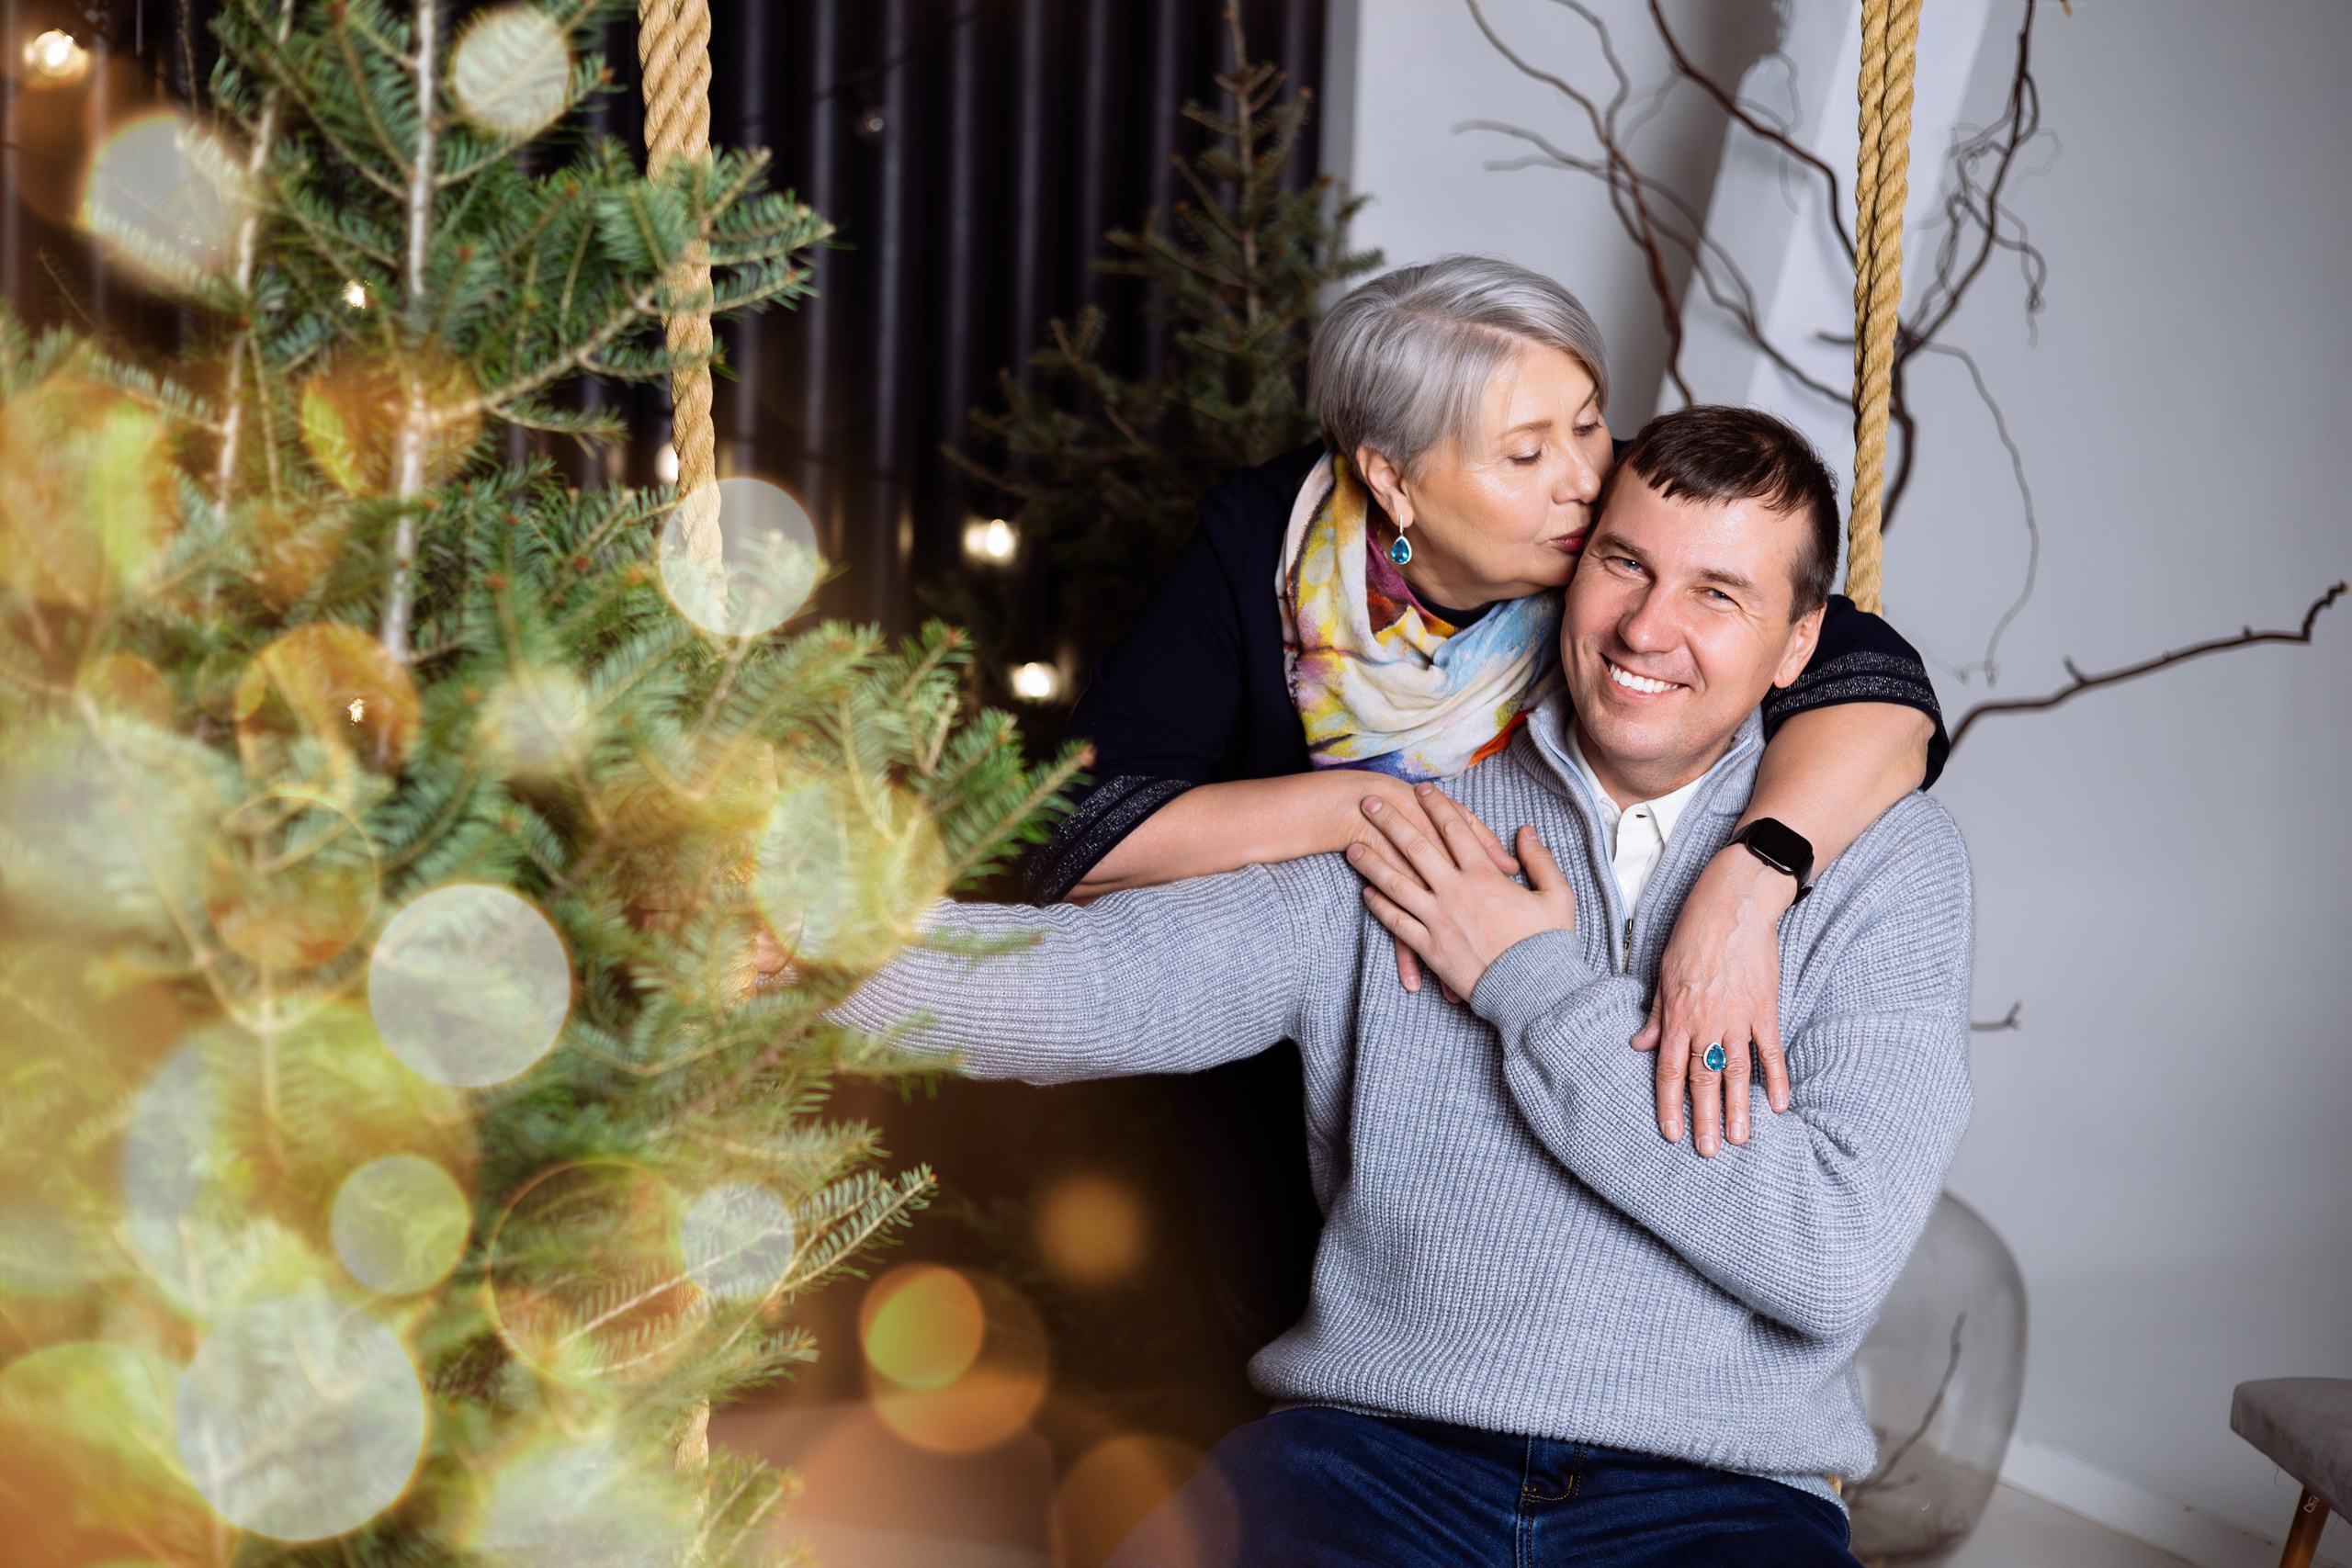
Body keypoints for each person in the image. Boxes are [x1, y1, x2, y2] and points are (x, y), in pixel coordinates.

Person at [841, 406, 1973, 1566]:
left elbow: (1828, 1261)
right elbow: (1102, 984)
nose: (1647, 628)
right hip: (1373, 1455)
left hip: (1719, 1491)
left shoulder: (1886, 867)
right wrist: (821, 954)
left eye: (1716, 595)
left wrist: (1525, 981)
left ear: (1798, 646)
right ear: (1573, 566)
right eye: (1624, 564)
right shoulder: (1414, 801)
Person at [1023, 255, 1948, 1350]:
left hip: (1548, 1032)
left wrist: (1748, 881)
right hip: (1279, 1026)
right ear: (1394, 479)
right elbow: (1077, 840)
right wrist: (1358, 809)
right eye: (1525, 453)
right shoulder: (1256, 548)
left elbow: (1880, 692)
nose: (1584, 477)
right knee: (1269, 1347)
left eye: (1589, 423)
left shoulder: (1619, 543)